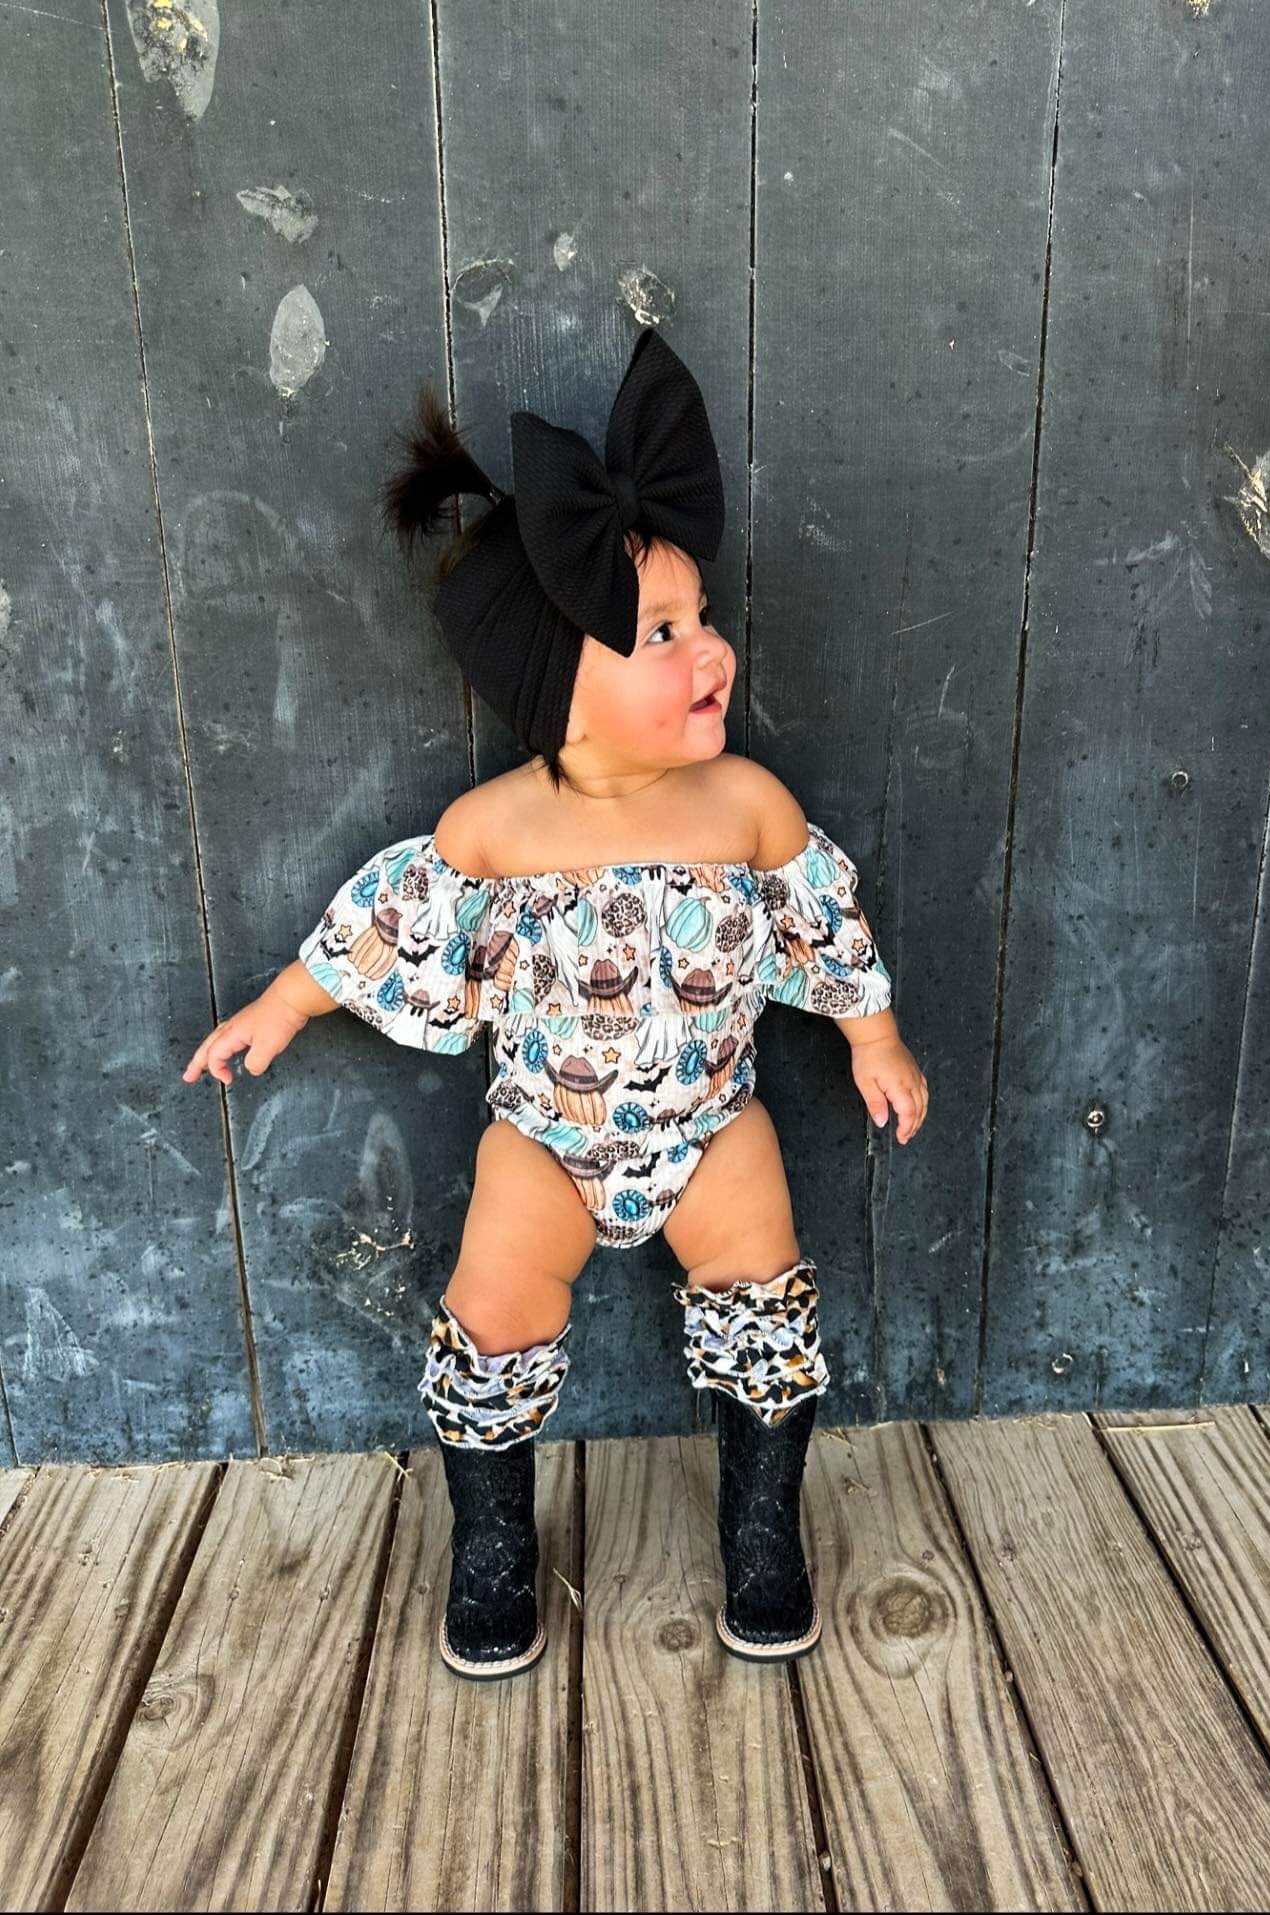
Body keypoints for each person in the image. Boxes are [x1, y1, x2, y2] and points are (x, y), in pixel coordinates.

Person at [183, 327, 928, 1682]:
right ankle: (491, 1542)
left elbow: (824, 922)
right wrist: (285, 1005)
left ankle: (763, 1526)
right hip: (544, 1137)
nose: (708, 650)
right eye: (662, 634)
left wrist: (870, 1036)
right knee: (495, 1306)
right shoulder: (499, 829)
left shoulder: (746, 807)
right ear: (562, 700)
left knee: (764, 1296)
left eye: (702, 618)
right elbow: (392, 924)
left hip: (713, 1123)